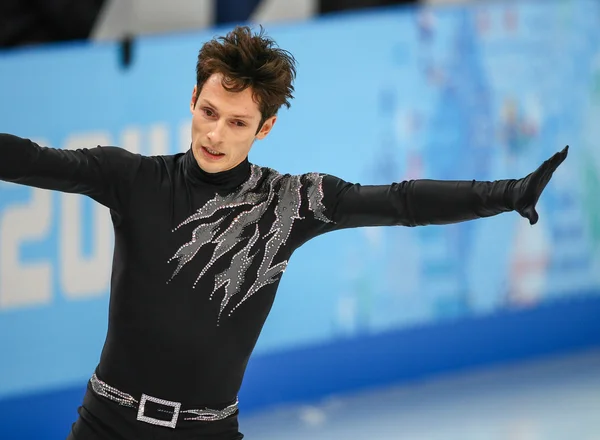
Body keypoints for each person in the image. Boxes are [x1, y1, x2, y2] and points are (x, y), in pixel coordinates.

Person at [0, 25, 568, 440]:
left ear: (265, 127)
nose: (216, 133)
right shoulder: (133, 179)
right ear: (193, 101)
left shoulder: (292, 202)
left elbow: (399, 202)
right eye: (209, 112)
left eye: (238, 122)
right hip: (107, 425)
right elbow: (32, 159)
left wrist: (506, 193)